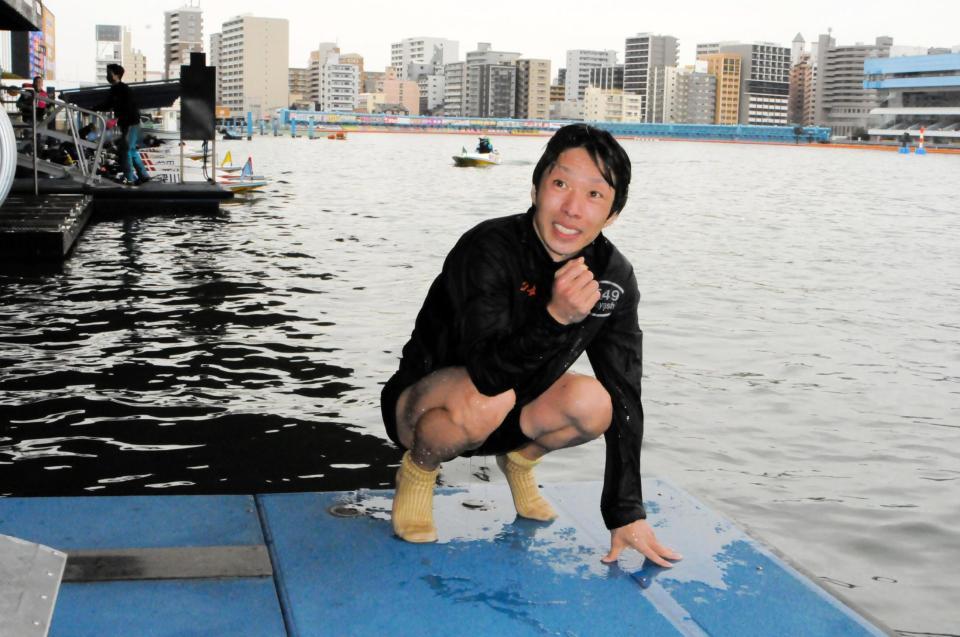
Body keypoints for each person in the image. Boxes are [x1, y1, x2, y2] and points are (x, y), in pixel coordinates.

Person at [381, 123, 682, 568]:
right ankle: (419, 471)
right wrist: (556, 316)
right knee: (490, 398)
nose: (572, 209)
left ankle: (520, 462)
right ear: (536, 188)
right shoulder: (488, 247)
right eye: (560, 184)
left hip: (518, 409)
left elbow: (625, 390)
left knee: (596, 403)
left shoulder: (613, 275)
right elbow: (486, 373)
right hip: (430, 409)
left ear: (612, 214)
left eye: (595, 195)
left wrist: (625, 512)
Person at [95, 63, 150, 185]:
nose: (107, 76)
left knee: (125, 150)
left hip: (131, 123)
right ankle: (143, 175)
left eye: (109, 73)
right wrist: (93, 108)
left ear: (116, 75)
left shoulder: (124, 89)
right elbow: (107, 104)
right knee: (130, 150)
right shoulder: (114, 90)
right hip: (128, 123)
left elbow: (128, 107)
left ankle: (130, 178)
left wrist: (119, 119)